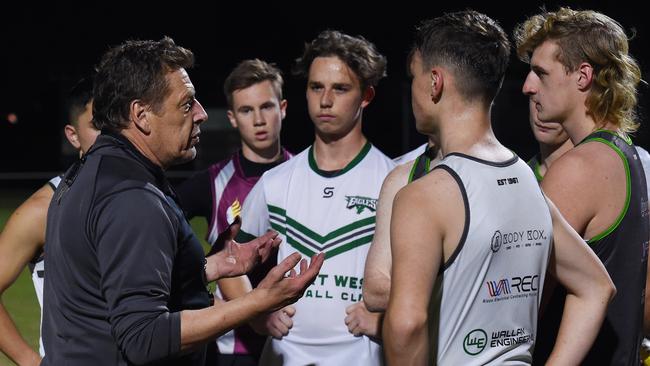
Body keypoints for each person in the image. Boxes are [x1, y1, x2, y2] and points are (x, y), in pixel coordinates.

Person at [40, 37, 324, 366]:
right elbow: (144, 337)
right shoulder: (131, 196)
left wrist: (210, 267)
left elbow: (115, 281)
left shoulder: (90, 172)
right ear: (141, 115)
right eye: (187, 104)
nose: (202, 113)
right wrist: (258, 302)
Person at [382, 10, 615, 365]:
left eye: (414, 77)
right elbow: (596, 286)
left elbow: (407, 325)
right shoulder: (527, 181)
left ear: (434, 83)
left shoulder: (424, 195)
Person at [236, 30, 393, 365]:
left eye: (340, 88)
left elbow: (425, 281)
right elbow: (232, 261)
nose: (325, 100)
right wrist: (255, 313)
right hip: (284, 356)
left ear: (366, 96)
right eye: (316, 86)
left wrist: (385, 322)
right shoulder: (275, 182)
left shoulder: (392, 180)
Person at [515, 7, 648, 365]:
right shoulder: (625, 154)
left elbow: (521, 307)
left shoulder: (578, 168)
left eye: (541, 73)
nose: (528, 86)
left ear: (583, 76)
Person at [175, 58, 292, 365]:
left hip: (297, 341)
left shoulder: (307, 177)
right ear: (232, 118)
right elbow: (158, 241)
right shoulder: (211, 183)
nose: (258, 119)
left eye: (266, 107)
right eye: (246, 110)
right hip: (231, 350)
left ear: (283, 108)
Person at [0, 76, 99, 366]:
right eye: (96, 125)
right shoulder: (43, 210)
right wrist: (31, 362)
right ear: (73, 135)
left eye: (116, 124)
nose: (109, 135)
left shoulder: (147, 196)